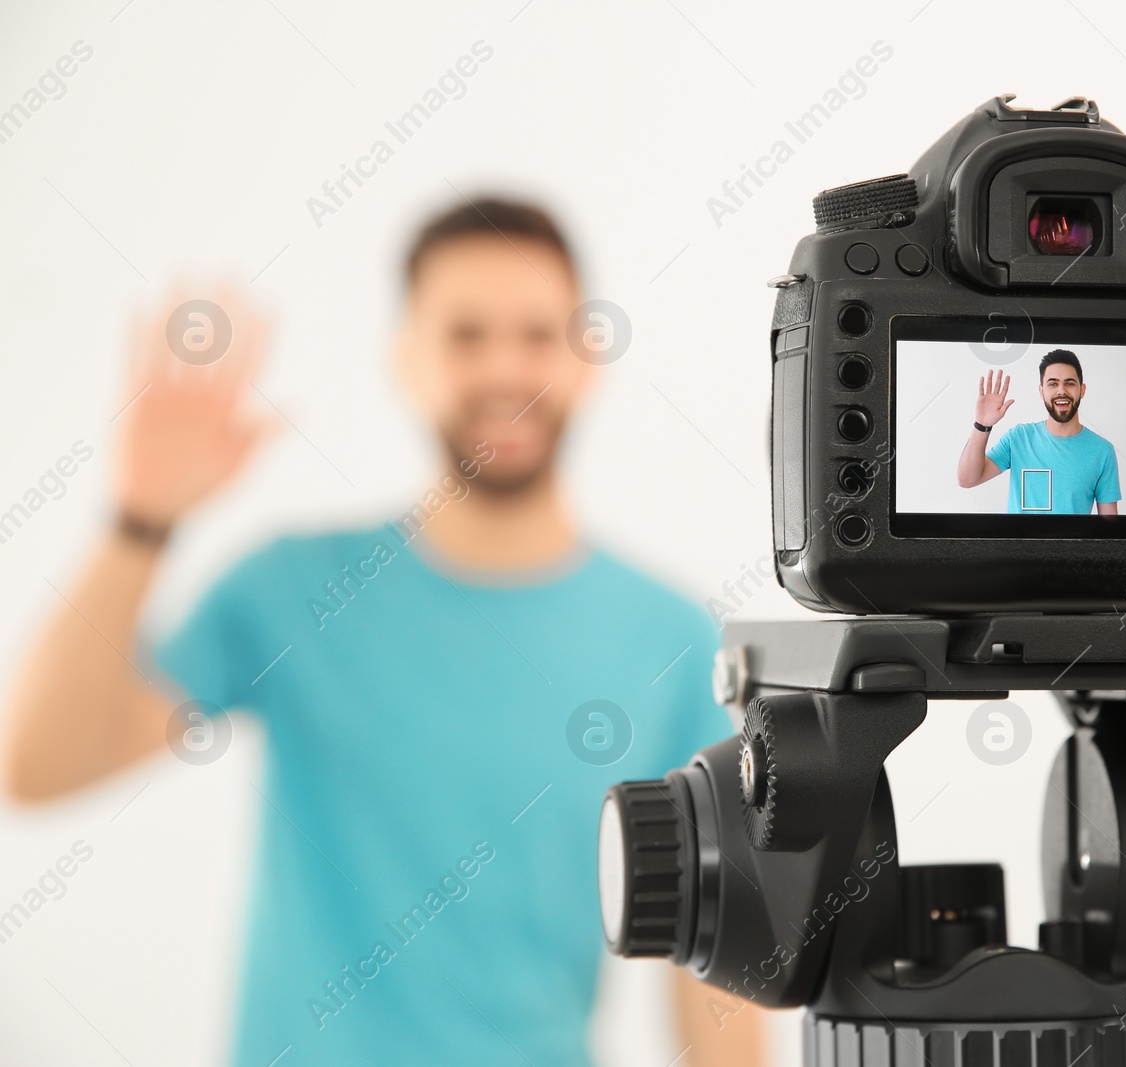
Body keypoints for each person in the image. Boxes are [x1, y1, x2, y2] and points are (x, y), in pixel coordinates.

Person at [2, 198, 765, 1067]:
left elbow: (717, 982)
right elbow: (36, 765)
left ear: (587, 359)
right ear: (407, 359)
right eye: (466, 335)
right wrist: (139, 521)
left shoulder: (668, 637)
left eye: (536, 334)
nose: (504, 367)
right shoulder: (290, 590)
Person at [956, 349, 1121, 515]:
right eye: (1053, 384)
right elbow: (966, 479)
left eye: (1070, 383)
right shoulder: (1018, 438)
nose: (1061, 391)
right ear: (1041, 391)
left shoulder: (1102, 451)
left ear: (1082, 390)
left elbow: (1108, 528)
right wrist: (982, 424)